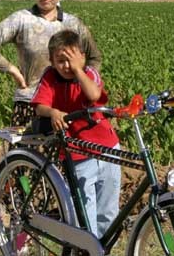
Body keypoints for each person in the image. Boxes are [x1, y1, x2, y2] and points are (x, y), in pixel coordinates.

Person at [0, 0, 101, 128]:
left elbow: (94, 57)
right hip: (29, 102)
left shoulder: (73, 24)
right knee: (24, 153)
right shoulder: (21, 19)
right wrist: (12, 70)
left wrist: (85, 85)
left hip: (66, 105)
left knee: (65, 154)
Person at [30, 29, 121, 238]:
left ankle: (104, 249)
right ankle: (88, 248)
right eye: (61, 60)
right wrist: (52, 112)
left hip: (107, 148)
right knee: (84, 211)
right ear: (52, 62)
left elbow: (94, 94)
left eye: (72, 59)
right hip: (76, 152)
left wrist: (79, 71)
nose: (67, 66)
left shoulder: (89, 74)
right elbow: (39, 106)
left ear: (83, 56)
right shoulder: (50, 77)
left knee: (108, 211)